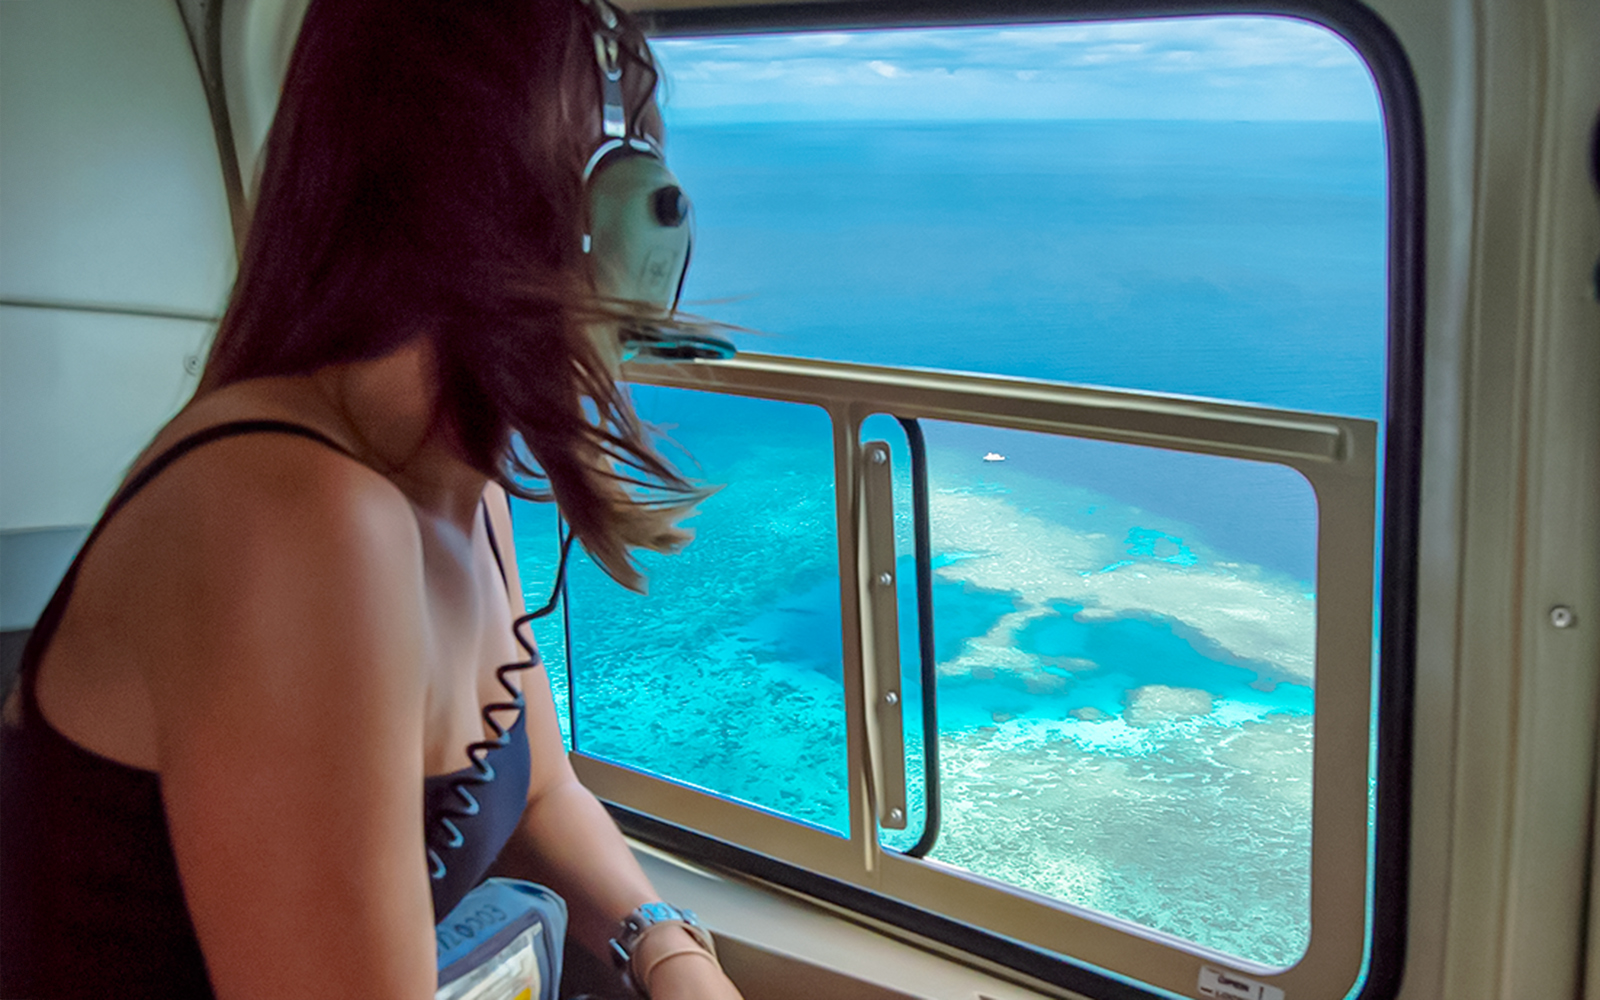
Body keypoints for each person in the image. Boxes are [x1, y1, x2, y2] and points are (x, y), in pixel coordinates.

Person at [0, 0, 745, 997]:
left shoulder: (458, 484)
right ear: (553, 204)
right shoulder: (294, 517)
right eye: (626, 167)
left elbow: (538, 795)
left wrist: (669, 951)